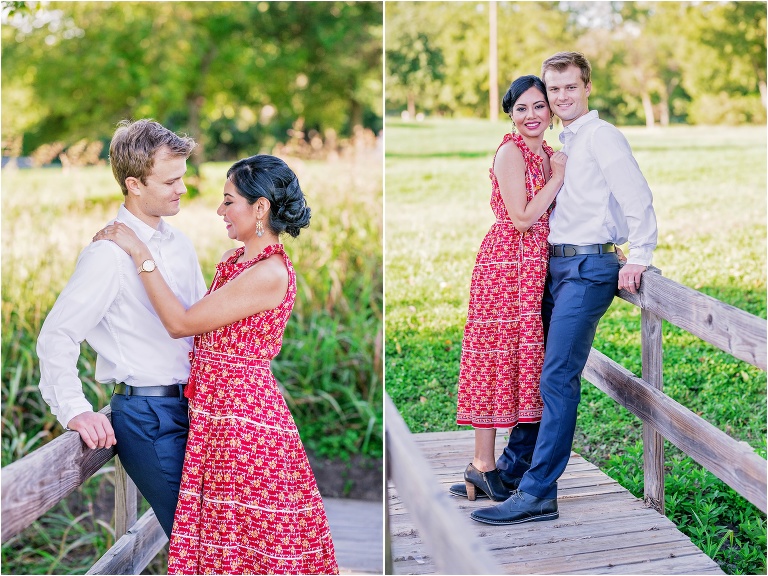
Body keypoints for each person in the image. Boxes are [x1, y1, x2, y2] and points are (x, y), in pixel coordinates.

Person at [94, 154, 339, 574]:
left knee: (249, 543)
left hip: (244, 423)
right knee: (221, 539)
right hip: (214, 416)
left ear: (259, 208)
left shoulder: (270, 273)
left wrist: (140, 251)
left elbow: (181, 323)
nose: (219, 211)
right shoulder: (233, 262)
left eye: (229, 201)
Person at [470, 51, 657, 525]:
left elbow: (637, 196)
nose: (561, 97)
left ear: (587, 87)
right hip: (553, 268)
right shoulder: (561, 142)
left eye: (569, 87)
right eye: (554, 90)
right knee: (539, 371)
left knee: (556, 377)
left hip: (589, 267)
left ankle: (538, 492)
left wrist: (639, 256)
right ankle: (512, 470)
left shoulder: (601, 136)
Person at [37, 119, 206, 538]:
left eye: (182, 177)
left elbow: (202, 325)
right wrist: (73, 408)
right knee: (198, 539)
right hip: (149, 419)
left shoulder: (180, 244)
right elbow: (57, 335)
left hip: (197, 410)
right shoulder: (107, 256)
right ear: (133, 184)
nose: (181, 189)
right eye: (170, 181)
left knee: (223, 538)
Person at [449, 75, 567, 502]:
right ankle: (482, 464)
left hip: (534, 267)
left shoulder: (549, 155)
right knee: (496, 358)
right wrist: (556, 180)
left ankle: (488, 466)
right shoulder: (510, 153)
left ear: (550, 111)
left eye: (538, 106)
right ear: (511, 114)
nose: (531, 115)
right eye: (521, 108)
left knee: (521, 362)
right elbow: (520, 218)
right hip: (505, 266)